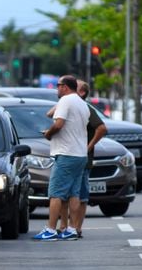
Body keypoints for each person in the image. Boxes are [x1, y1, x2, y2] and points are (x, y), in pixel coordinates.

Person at [32, 75, 90, 241]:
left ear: (65, 87)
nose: (56, 88)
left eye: (58, 85)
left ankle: (50, 229)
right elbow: (56, 117)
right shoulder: (82, 103)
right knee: (74, 193)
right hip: (80, 154)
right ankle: (72, 229)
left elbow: (58, 124)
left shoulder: (66, 101)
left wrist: (49, 134)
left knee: (56, 193)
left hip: (66, 153)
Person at [51, 80, 107, 239]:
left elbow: (102, 128)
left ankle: (75, 227)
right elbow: (49, 114)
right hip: (75, 154)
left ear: (81, 93)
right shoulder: (70, 104)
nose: (61, 88)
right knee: (68, 194)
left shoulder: (85, 107)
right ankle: (65, 227)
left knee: (78, 194)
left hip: (76, 155)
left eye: (76, 87)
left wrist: (88, 147)